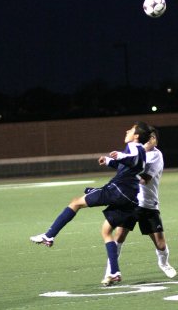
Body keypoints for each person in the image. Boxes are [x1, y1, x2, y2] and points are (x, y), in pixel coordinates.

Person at [30, 121, 150, 285]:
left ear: (136, 136)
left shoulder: (134, 147)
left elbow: (132, 160)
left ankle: (49, 236)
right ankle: (114, 272)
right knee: (106, 231)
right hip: (130, 197)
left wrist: (120, 156)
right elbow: (129, 165)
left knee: (75, 202)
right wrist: (109, 161)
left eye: (131, 129)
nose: (127, 131)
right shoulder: (141, 150)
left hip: (117, 191)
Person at [102, 126, 176, 286]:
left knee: (160, 243)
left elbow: (145, 178)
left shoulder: (156, 155)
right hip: (130, 202)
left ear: (155, 140)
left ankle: (164, 263)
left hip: (148, 205)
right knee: (118, 237)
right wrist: (109, 161)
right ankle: (110, 272)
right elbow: (124, 166)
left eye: (152, 138)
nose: (150, 140)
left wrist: (128, 174)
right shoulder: (135, 151)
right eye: (148, 137)